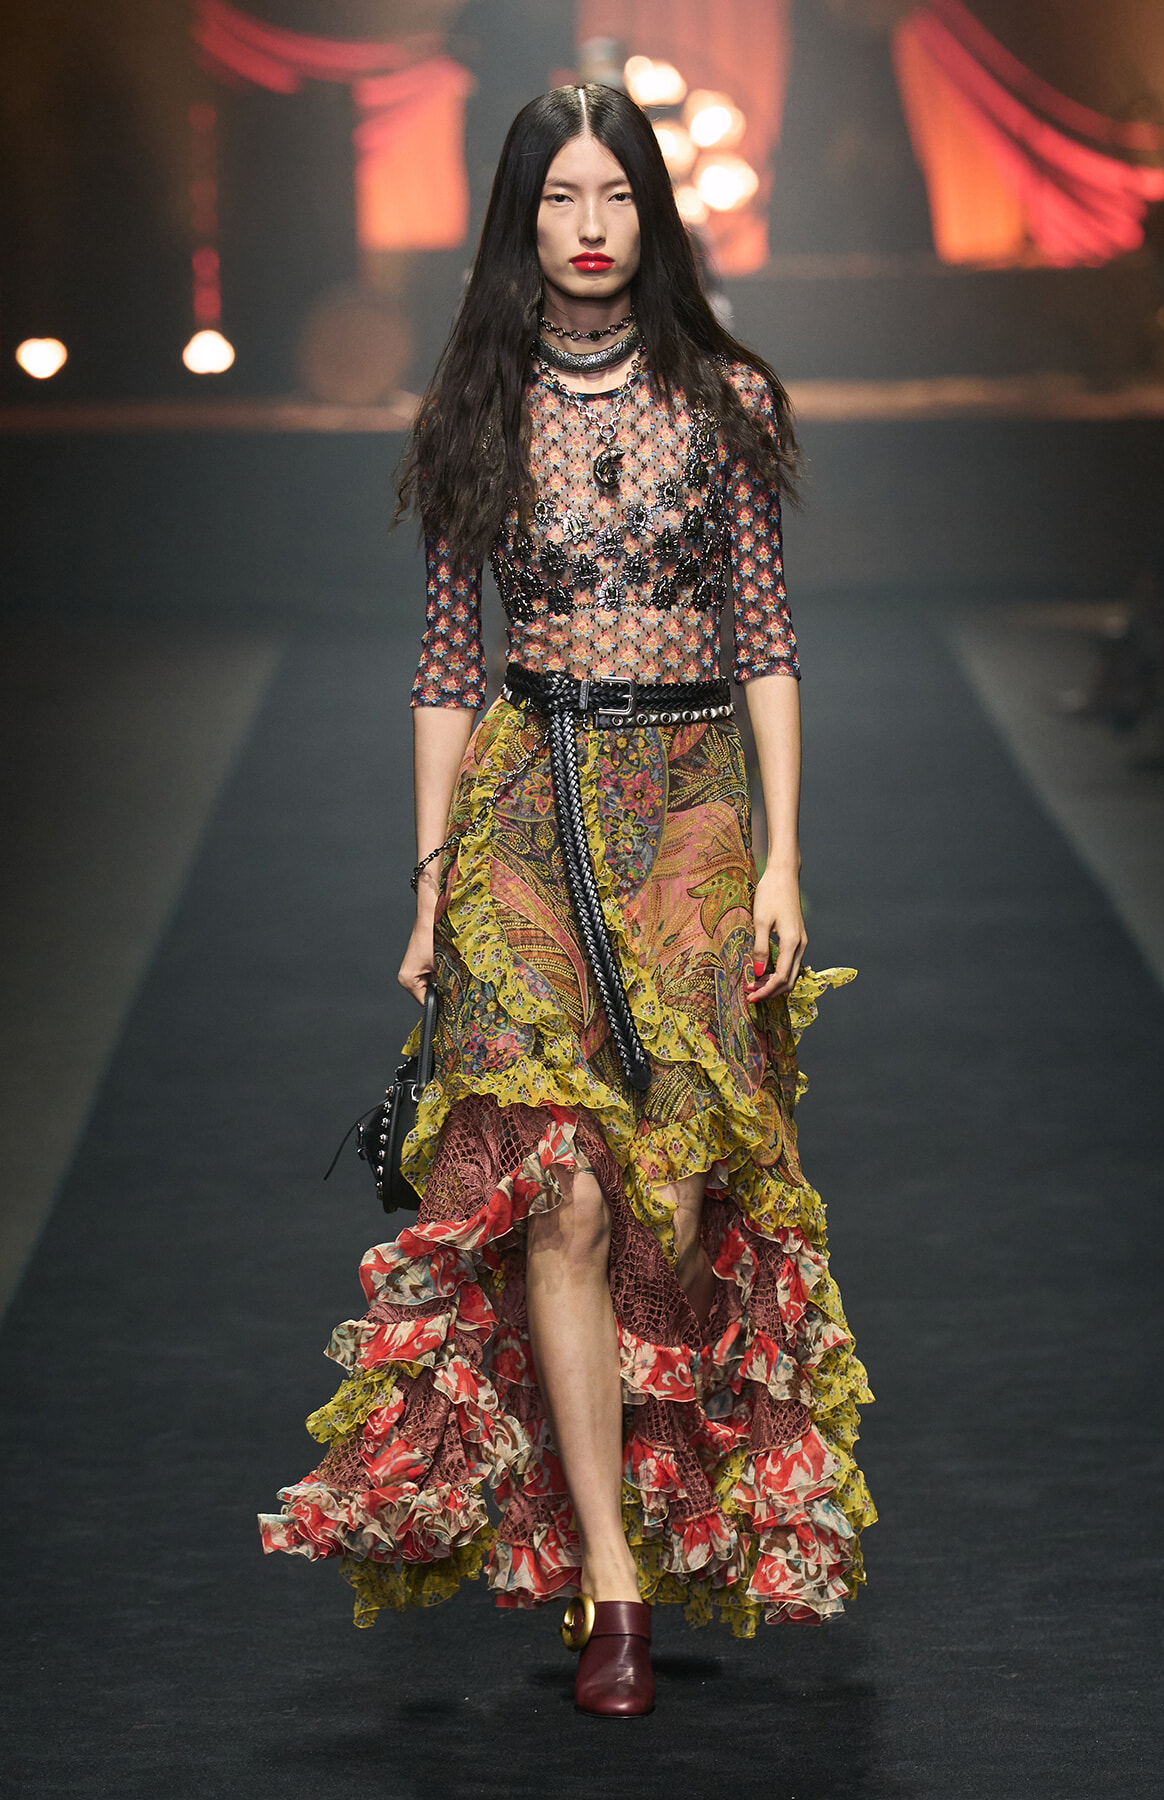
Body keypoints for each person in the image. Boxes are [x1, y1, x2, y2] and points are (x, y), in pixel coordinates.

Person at [260, 83, 875, 1719]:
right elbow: (445, 666)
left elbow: (767, 639)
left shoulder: (726, 397)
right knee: (564, 1200)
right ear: (520, 219)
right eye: (560, 199)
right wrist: (430, 887)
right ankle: (612, 1585)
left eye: (615, 196)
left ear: (651, 213)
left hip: (691, 805)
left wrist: (785, 856)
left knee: (674, 1188)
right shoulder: (476, 397)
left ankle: (671, 1499)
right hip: (526, 803)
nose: (591, 227)